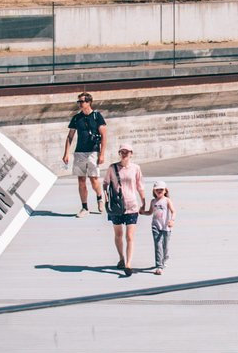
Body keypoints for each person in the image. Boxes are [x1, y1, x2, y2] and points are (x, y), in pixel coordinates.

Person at [103, 145, 146, 276]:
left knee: (130, 236)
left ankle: (128, 264)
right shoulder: (113, 167)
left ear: (131, 153)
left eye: (126, 152)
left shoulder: (136, 168)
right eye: (122, 152)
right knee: (118, 235)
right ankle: (121, 258)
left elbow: (140, 186)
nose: (124, 154)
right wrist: (105, 199)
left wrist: (144, 202)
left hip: (132, 205)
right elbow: (105, 183)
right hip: (116, 206)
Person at [62, 93, 107, 217]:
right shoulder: (77, 118)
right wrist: (66, 153)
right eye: (79, 102)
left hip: (93, 151)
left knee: (93, 180)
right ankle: (84, 208)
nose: (80, 104)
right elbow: (70, 136)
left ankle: (99, 198)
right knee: (81, 181)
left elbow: (104, 136)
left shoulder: (97, 116)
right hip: (79, 152)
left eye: (82, 101)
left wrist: (102, 154)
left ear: (89, 102)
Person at [146, 180, 176, 275]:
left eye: (161, 189)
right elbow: (150, 212)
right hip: (156, 226)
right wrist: (143, 212)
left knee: (165, 246)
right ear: (154, 191)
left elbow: (173, 211)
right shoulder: (153, 201)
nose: (159, 191)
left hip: (166, 227)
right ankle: (159, 266)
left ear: (165, 191)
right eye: (157, 189)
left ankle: (164, 258)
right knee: (158, 245)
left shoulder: (167, 200)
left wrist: (172, 220)